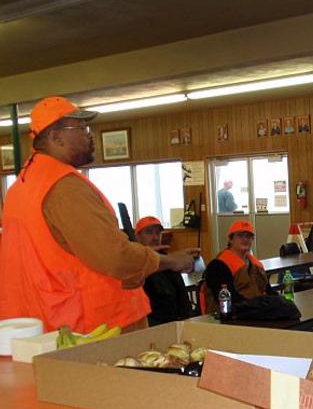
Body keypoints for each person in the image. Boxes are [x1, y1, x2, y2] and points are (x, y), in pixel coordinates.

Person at [0, 96, 196, 334]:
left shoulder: (22, 185)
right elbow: (115, 256)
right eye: (81, 128)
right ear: (55, 137)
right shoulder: (64, 187)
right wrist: (170, 261)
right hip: (93, 327)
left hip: (44, 323)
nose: (90, 135)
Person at [135, 216, 192, 325]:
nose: (155, 237)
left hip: (176, 323)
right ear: (137, 237)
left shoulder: (169, 260)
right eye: (149, 232)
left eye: (158, 233)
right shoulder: (133, 265)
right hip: (150, 324)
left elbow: (182, 297)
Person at [203, 220, 271, 311]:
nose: (245, 239)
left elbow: (268, 290)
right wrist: (258, 306)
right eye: (240, 235)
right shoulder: (218, 266)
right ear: (231, 239)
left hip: (256, 309)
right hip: (231, 313)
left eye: (248, 236)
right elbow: (229, 299)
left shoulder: (256, 264)